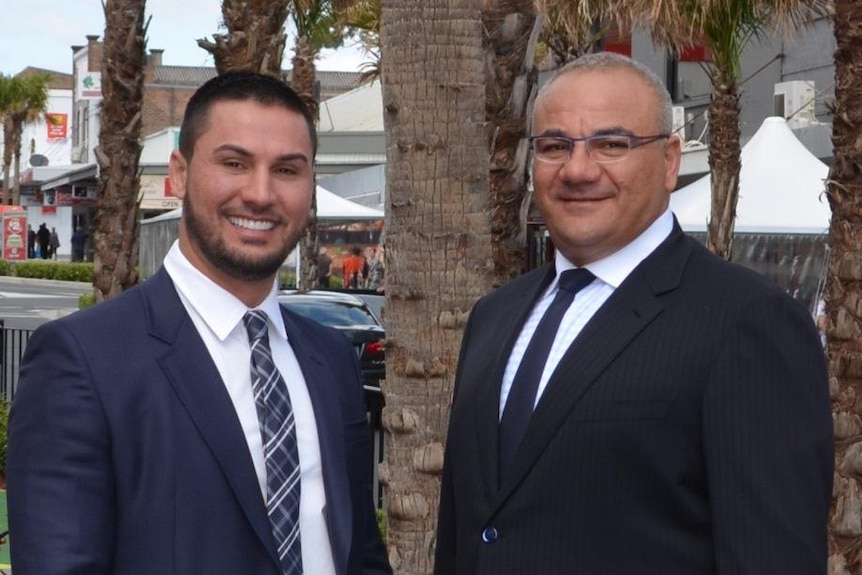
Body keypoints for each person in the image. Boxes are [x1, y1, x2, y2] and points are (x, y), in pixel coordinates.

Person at [434, 52, 833, 575]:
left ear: (669, 161)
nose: (578, 169)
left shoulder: (746, 323)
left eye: (611, 144)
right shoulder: (494, 317)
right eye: (555, 146)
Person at [8, 71, 391, 575]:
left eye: (288, 170)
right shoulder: (83, 361)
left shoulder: (329, 360)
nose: (260, 194)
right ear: (180, 174)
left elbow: (358, 551)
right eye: (234, 163)